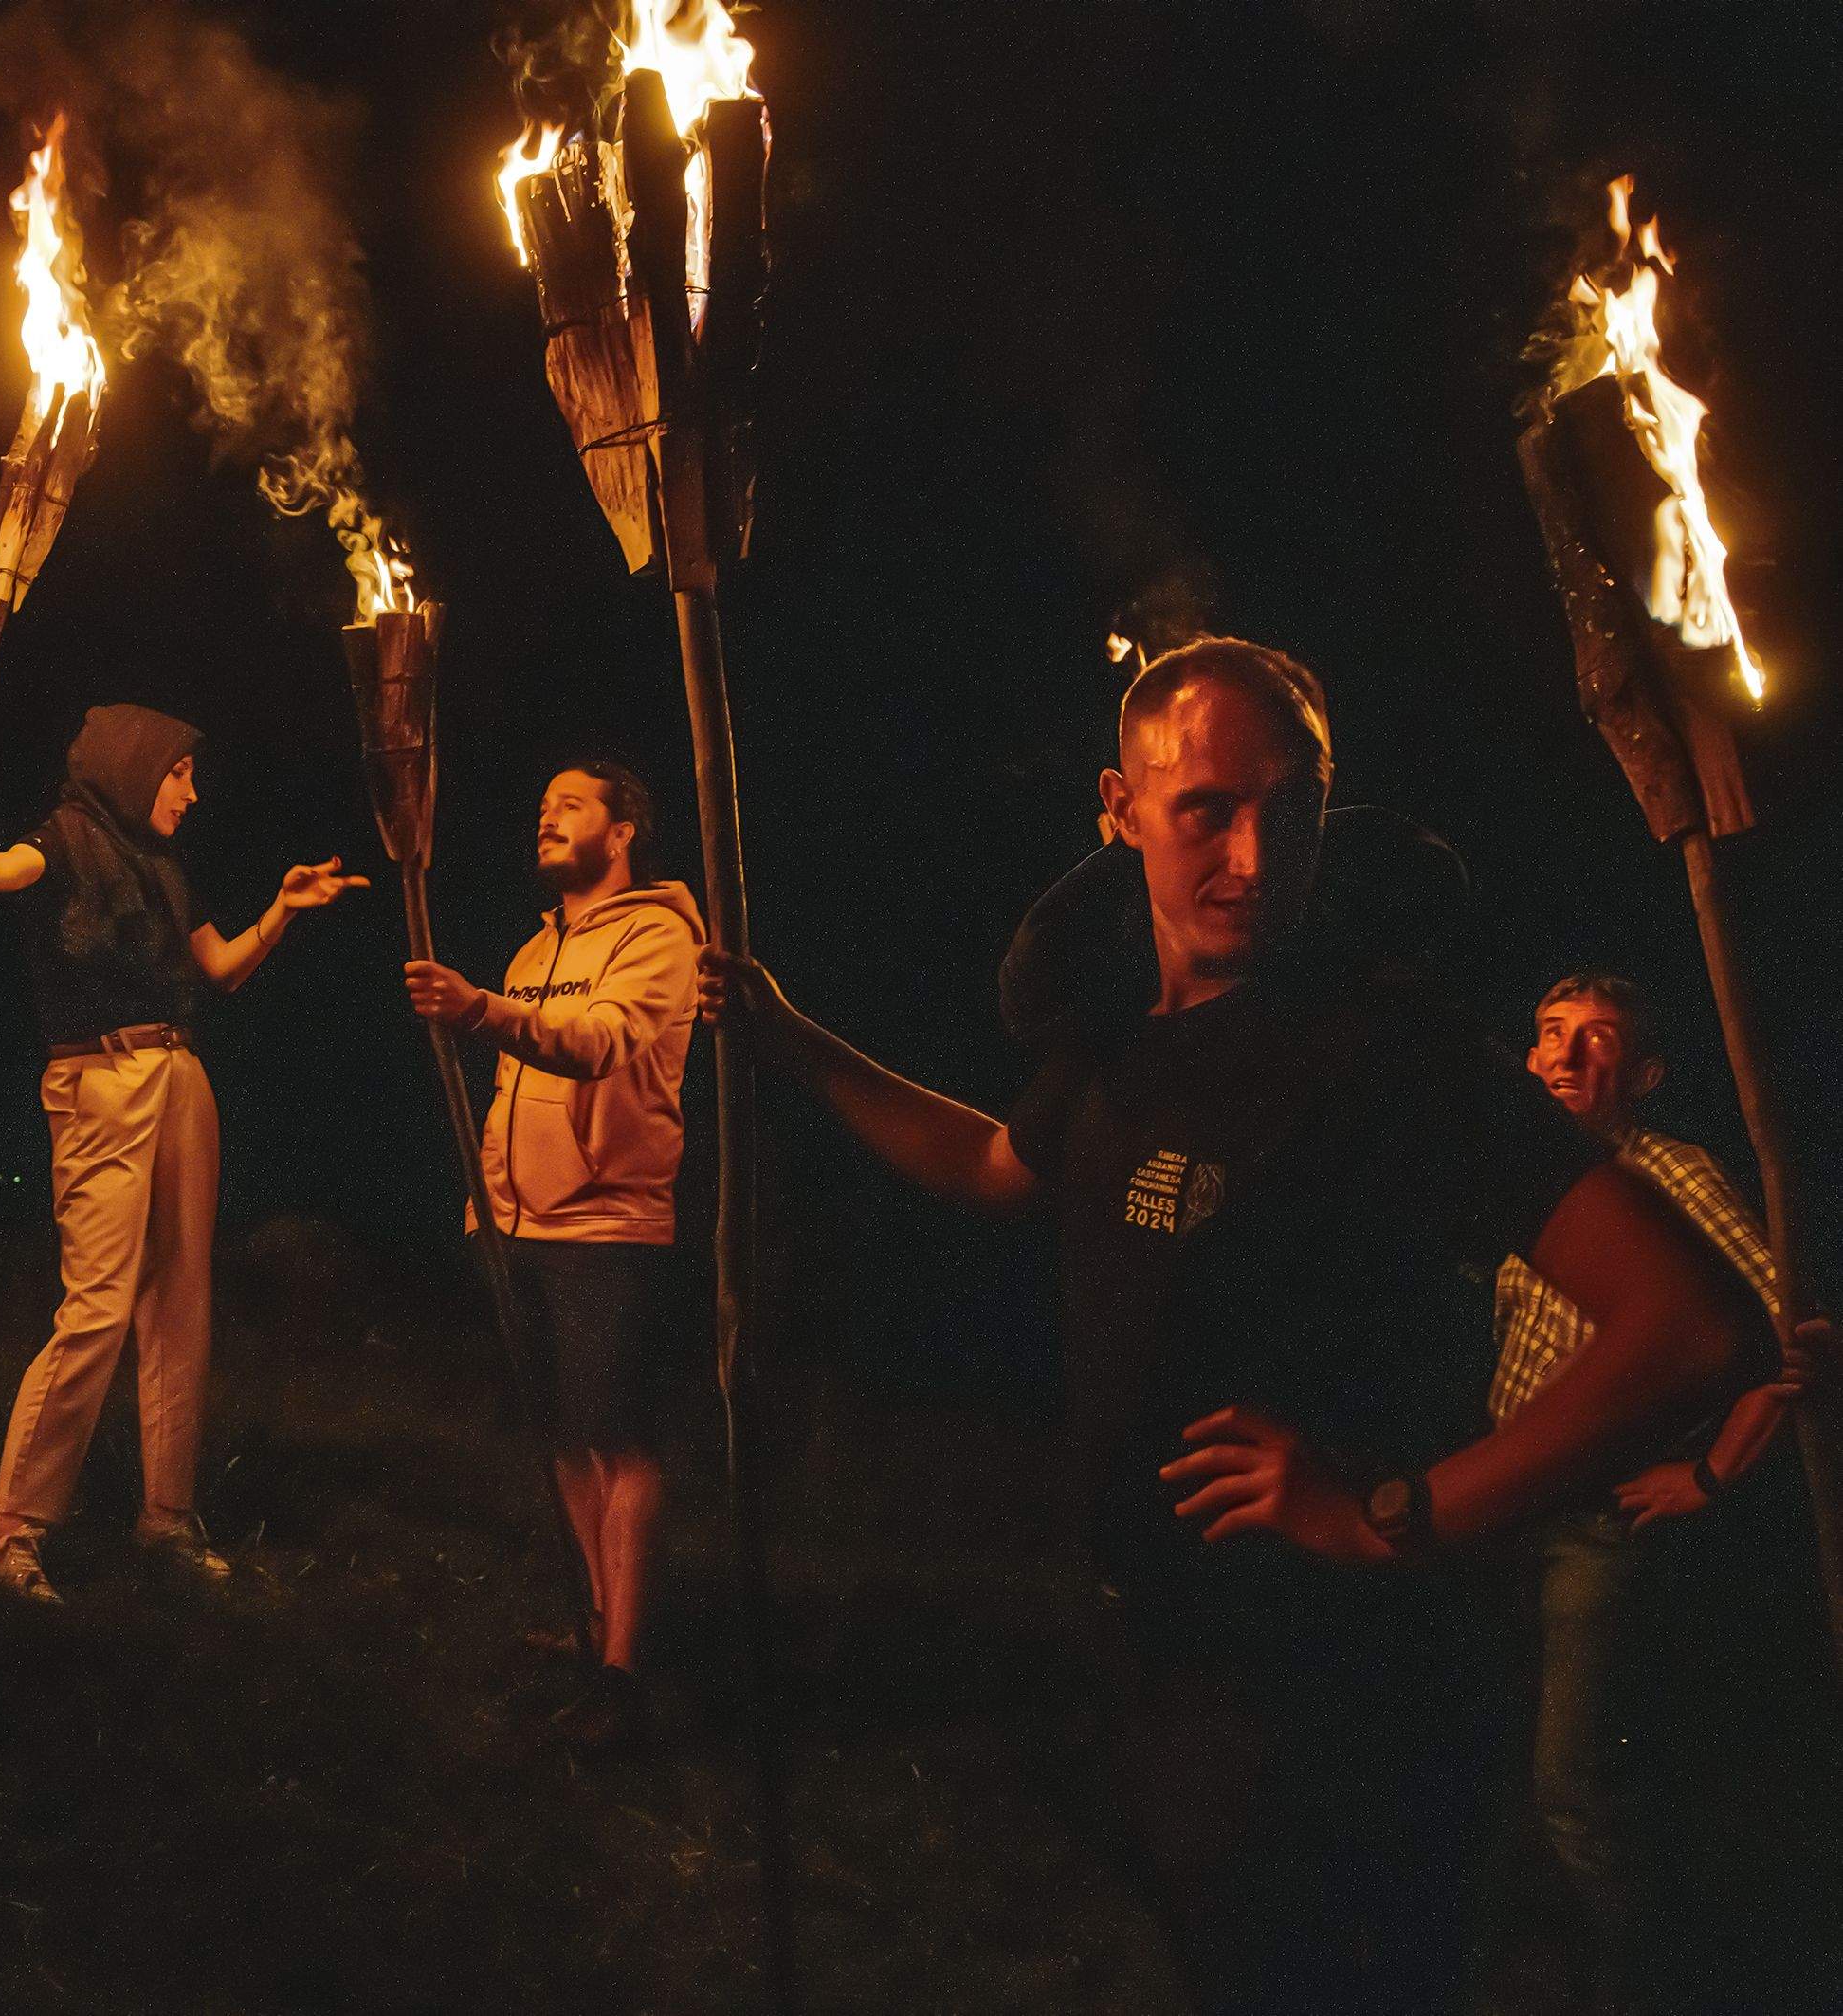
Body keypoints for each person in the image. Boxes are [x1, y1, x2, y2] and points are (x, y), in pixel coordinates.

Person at [699, 637, 1774, 2015]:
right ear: (1119, 806)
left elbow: (1690, 1326)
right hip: (1164, 1672)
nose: (1255, 858)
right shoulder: (1111, 1043)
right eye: (1206, 807)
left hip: (1343, 1700)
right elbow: (990, 1166)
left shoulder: (1393, 1055)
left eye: (1293, 805)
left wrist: (1394, 1509)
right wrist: (795, 1040)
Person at [0, 705, 365, 1604]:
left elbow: (222, 970)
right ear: (132, 766)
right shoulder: (64, 840)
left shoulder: (162, 866)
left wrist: (281, 907)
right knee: (99, 1307)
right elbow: (2, 871)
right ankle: (11, 1530)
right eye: (179, 774)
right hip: (100, 1079)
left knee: (180, 1299)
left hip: (179, 1075)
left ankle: (165, 1516)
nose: (192, 793)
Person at [1498, 971, 1807, 2014]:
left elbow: (1790, 1336)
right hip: (1511, 1507)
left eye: (1600, 1040)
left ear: (1643, 1073)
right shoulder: (1526, 1176)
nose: (1569, 1055)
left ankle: (1638, 1988)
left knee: (1574, 1789)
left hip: (1600, 1522)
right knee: (1512, 1762)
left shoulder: (1671, 1172)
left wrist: (1712, 1472)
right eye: (1553, 1033)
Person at [402, 761, 702, 1747]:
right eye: (542, 806)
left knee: (622, 1441)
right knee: (564, 1438)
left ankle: (624, 1671)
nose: (547, 818)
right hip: (513, 1224)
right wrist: (484, 1194)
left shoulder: (661, 934)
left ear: (622, 831)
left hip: (607, 1226)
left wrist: (479, 1008)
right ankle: (593, 1620)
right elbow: (513, 1081)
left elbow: (600, 1043)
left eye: (569, 805)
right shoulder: (537, 947)